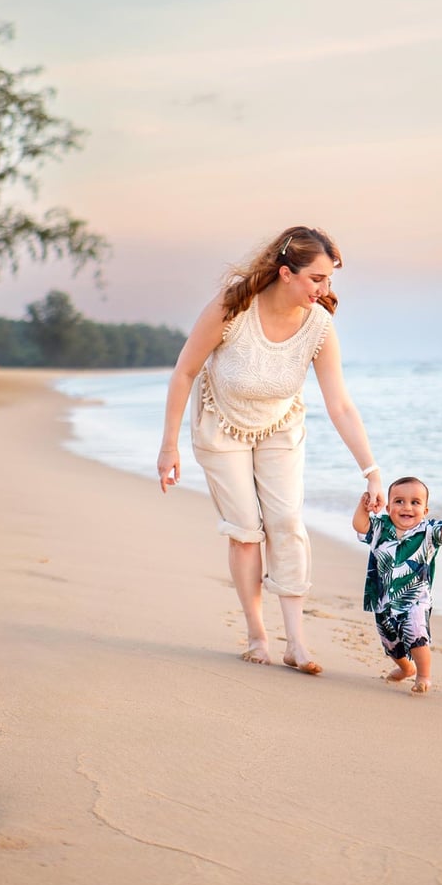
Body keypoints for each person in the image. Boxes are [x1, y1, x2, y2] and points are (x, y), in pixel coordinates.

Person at [157, 226, 384, 675]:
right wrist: (169, 446)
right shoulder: (233, 308)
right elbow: (184, 371)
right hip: (220, 424)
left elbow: (339, 404)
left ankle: (296, 643)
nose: (325, 289)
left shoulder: (319, 326)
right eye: (316, 278)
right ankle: (257, 636)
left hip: (280, 426)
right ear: (285, 273)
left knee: (287, 522)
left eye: (329, 279)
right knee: (245, 529)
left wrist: (371, 470)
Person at [353, 476, 442, 694]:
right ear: (388, 507)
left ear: (425, 510)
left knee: (417, 636)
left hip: (415, 599)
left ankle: (423, 675)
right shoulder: (380, 527)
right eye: (399, 501)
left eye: (415, 502)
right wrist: (363, 507)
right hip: (384, 601)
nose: (407, 507)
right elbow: (360, 525)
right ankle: (406, 668)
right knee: (391, 644)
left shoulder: (428, 531)